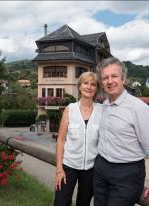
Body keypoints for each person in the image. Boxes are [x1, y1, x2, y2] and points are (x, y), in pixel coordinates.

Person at [93, 57, 149, 206]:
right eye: (105, 78)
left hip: (127, 174)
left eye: (114, 76)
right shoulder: (105, 105)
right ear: (102, 82)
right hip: (101, 169)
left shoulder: (139, 109)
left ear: (123, 79)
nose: (109, 81)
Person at [54, 72, 102, 206]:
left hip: (91, 169)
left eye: (93, 84)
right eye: (86, 83)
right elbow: (61, 140)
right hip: (68, 166)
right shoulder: (70, 109)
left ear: (96, 88)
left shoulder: (102, 111)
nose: (89, 87)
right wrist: (59, 169)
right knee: (60, 202)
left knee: (83, 203)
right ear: (79, 87)